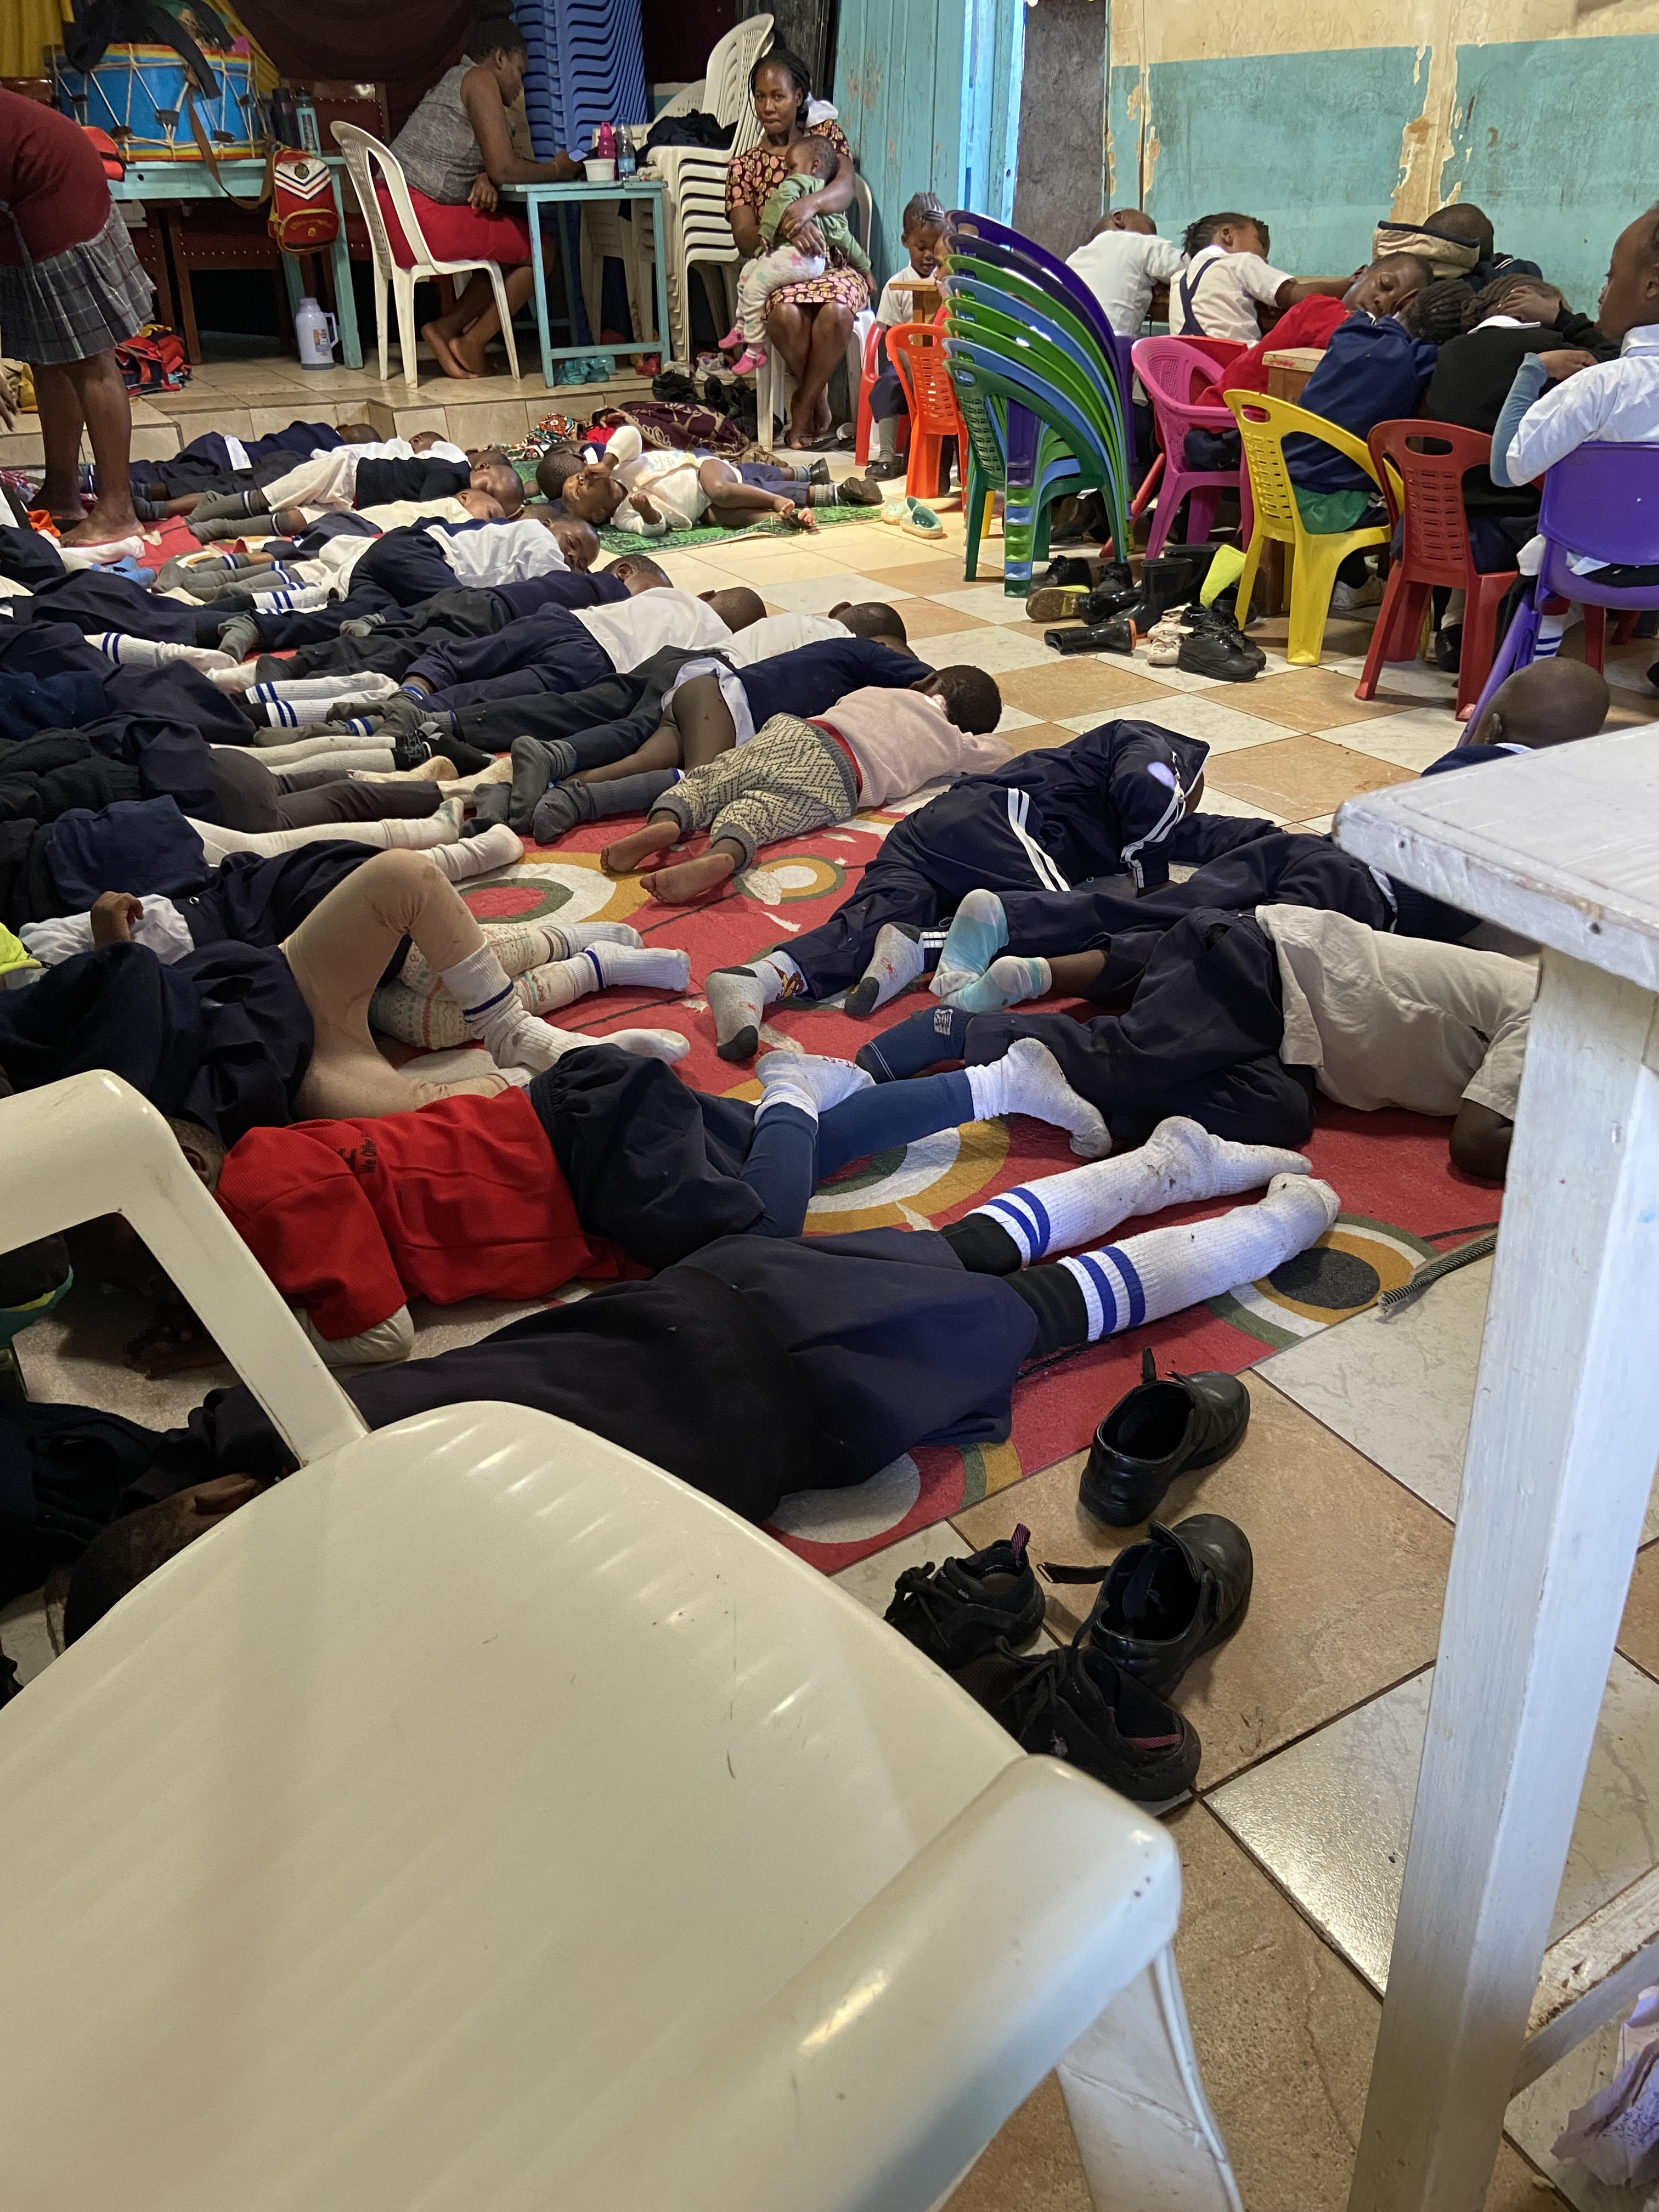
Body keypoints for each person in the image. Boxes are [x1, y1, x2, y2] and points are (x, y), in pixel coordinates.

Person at [65, 1128, 1334, 1618]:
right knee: (960, 1257)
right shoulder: (270, 1430)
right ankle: (1172, 1178)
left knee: (1029, 1311)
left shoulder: (352, 1575)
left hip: (779, 1402)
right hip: (705, 1309)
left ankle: (1256, 1226)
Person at [147, 1028, 1150, 1368]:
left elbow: (383, 1337)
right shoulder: (262, 1160)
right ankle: (1005, 1082)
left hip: (583, 1159)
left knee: (757, 1242)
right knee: (794, 1155)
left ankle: (795, 1083)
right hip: (585, 1136)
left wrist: (238, 1331)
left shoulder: (262, 1193)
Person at [860, 900, 1534, 1181]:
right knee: (1133, 1058)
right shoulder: (1553, 1018)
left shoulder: (1559, 1019)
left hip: (1297, 1049)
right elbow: (1476, 1144)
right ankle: (957, 1028)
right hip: (1262, 964)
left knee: (1280, 1120)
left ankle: (1108, 1105)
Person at [702, 719, 1260, 1057]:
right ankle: (927, 946)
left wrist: (1297, 848)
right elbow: (1152, 787)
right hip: (993, 822)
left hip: (930, 838)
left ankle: (759, 979)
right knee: (1065, 924)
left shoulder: (1139, 817)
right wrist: (1153, 880)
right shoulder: (1148, 748)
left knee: (865, 929)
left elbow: (1213, 835)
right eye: (1183, 804)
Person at [599, 664, 1007, 901]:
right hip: (841, 775)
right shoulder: (953, 742)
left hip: (798, 732)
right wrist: (967, 740)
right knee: (758, 814)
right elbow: (1001, 756)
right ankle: (723, 853)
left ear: (924, 683)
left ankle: (664, 824)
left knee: (709, 780)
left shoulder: (880, 692)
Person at [513, 618, 929, 842]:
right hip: (722, 701)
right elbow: (932, 684)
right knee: (702, 786)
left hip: (699, 695)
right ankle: (579, 802)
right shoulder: (867, 651)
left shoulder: (840, 663)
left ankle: (546, 796)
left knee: (639, 762)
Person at [1489, 202, 1659, 661]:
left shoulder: (1600, 385)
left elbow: (1508, 469)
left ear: (1652, 283)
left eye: (1609, 275)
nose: (1602, 292)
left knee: (1539, 570)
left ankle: (1522, 692)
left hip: (1586, 568)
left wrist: (1530, 374)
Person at [1421, 274, 1614, 665]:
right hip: (1511, 534)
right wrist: (1563, 318)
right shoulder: (1552, 348)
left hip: (1433, 529)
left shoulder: (1450, 351)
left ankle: (1455, 624)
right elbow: (1619, 367)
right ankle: (1531, 627)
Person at [0, 88, 154, 549]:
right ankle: (63, 490)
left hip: (54, 181)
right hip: (19, 194)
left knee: (88, 357)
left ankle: (117, 510)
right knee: (47, 356)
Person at [386, 13, 579, 380]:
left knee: (507, 242)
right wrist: (557, 169)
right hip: (418, 215)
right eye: (520, 71)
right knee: (541, 249)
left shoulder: (457, 80)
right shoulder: (480, 78)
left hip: (397, 212)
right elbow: (506, 168)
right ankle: (472, 342)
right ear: (501, 57)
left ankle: (445, 330)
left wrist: (483, 175)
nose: (521, 85)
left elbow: (475, 154)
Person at [725, 48, 870, 449]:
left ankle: (803, 403)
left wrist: (807, 207)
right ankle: (819, 397)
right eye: (760, 97)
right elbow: (743, 235)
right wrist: (787, 233)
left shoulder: (823, 144)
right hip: (780, 268)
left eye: (778, 96)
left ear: (799, 96)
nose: (767, 106)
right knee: (785, 314)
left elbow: (844, 189)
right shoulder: (744, 166)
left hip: (833, 263)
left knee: (838, 311)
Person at [721, 134, 872, 377]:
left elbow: (777, 205)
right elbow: (847, 241)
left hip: (797, 260)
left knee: (754, 286)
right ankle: (743, 325)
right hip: (816, 265)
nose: (787, 173)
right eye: (760, 97)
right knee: (750, 276)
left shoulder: (797, 183)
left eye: (790, 167)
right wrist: (866, 270)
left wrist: (769, 233)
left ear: (813, 167)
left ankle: (754, 349)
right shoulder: (830, 208)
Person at [556, 425, 843, 535]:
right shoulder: (623, 517)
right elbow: (652, 529)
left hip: (703, 471)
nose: (580, 481)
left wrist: (609, 462)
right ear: (597, 514)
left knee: (722, 490)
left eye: (576, 478)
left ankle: (780, 499)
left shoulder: (618, 466)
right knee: (721, 516)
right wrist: (647, 512)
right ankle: (779, 517)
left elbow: (630, 433)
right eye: (577, 492)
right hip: (700, 509)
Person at [188, 446, 524, 539]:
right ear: (480, 469)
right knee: (270, 497)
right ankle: (211, 510)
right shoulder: (449, 473)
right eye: (489, 490)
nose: (486, 500)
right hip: (345, 476)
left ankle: (222, 529)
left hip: (359, 509)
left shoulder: (458, 502)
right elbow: (424, 510)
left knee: (297, 522)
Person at [864, 194, 950, 481]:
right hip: (903, 363)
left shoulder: (947, 283)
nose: (928, 256)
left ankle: (934, 461)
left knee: (951, 393)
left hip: (941, 364)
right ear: (905, 241)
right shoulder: (896, 285)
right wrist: (909, 368)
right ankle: (888, 458)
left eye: (934, 248)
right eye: (920, 247)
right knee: (886, 386)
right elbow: (890, 336)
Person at [1173, 212, 1352, 345]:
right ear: (1228, 235)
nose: (1265, 259)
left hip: (1189, 379)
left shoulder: (1178, 279)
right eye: (1259, 243)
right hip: (1233, 373)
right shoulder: (1239, 261)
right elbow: (1295, 295)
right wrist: (1351, 283)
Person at [1065, 208, 1185, 340]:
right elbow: (1192, 266)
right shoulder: (1138, 242)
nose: (1153, 238)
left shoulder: (1074, 259)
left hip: (1064, 346)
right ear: (1119, 218)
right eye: (1151, 232)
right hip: (1107, 349)